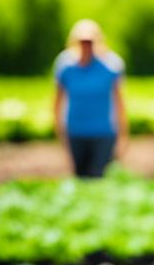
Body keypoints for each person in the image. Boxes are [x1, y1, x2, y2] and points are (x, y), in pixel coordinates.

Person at [52, 19, 127, 178]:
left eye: (90, 42)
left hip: (103, 132)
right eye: (82, 42)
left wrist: (123, 135)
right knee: (79, 176)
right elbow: (57, 102)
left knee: (99, 177)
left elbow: (120, 103)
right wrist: (59, 131)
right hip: (76, 131)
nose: (86, 46)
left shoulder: (110, 66)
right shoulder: (65, 66)